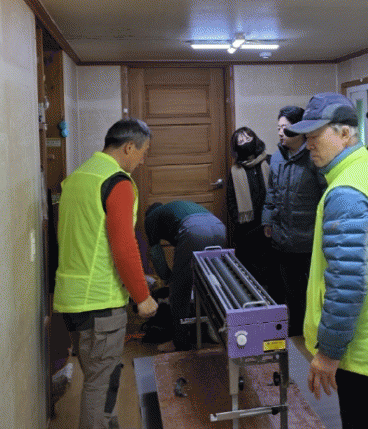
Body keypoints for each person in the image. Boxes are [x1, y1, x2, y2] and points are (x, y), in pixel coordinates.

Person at [286, 92, 368, 429]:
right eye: (306, 136)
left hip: (365, 346)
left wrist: (329, 352)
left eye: (316, 135)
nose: (309, 144)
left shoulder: (348, 191)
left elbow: (347, 283)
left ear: (345, 134)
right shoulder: (365, 172)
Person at [53, 118, 158, 429]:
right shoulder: (117, 182)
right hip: (100, 302)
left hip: (72, 299)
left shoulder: (78, 177)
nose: (142, 160)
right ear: (129, 147)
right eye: (143, 152)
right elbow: (124, 247)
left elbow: (83, 238)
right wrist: (142, 296)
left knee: (101, 377)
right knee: (101, 385)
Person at [262, 105, 326, 335]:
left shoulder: (314, 157)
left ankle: (309, 335)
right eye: (278, 127)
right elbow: (271, 192)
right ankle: (295, 335)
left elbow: (325, 193)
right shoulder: (277, 157)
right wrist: (267, 220)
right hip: (282, 237)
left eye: (285, 128)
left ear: (300, 130)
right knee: (288, 291)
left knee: (308, 294)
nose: (280, 132)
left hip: (308, 239)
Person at [144, 200, 226, 351]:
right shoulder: (174, 210)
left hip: (193, 230)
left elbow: (156, 254)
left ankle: (179, 342)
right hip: (219, 228)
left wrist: (168, 279)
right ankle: (215, 329)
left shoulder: (150, 218)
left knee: (179, 290)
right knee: (210, 283)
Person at [226, 127, 277, 294]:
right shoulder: (235, 171)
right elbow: (231, 200)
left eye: (247, 138)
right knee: (250, 274)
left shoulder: (270, 161)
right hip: (247, 230)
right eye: (240, 141)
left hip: (270, 226)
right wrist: (238, 219)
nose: (245, 142)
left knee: (272, 272)